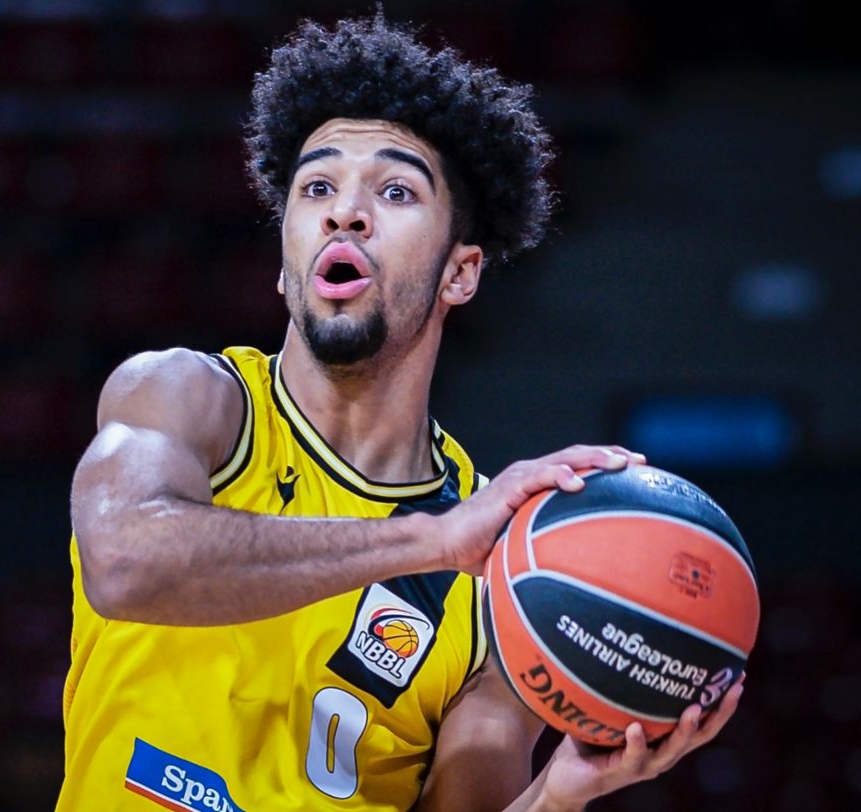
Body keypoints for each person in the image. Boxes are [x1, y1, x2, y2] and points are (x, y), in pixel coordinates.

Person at [60, 11, 743, 812]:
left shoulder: (506, 575)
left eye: (394, 191)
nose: (344, 213)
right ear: (285, 263)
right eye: (317, 188)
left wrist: (557, 798)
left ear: (460, 273)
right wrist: (429, 539)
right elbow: (125, 563)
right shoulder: (186, 397)